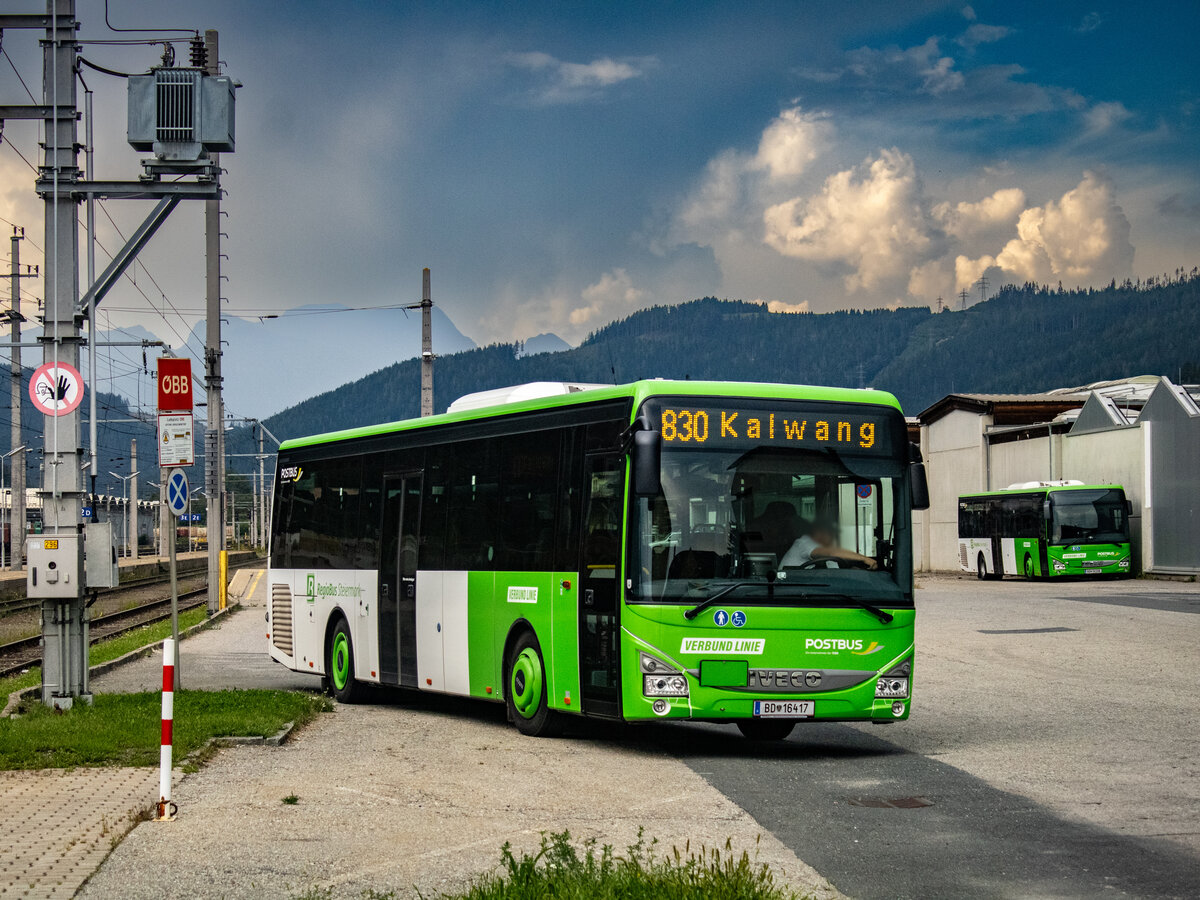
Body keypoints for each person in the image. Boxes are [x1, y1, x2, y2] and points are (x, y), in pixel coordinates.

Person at [779, 518, 877, 570]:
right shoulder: (805, 542)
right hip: (791, 593)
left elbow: (834, 575)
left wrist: (852, 572)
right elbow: (831, 553)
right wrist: (864, 559)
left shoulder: (825, 553)